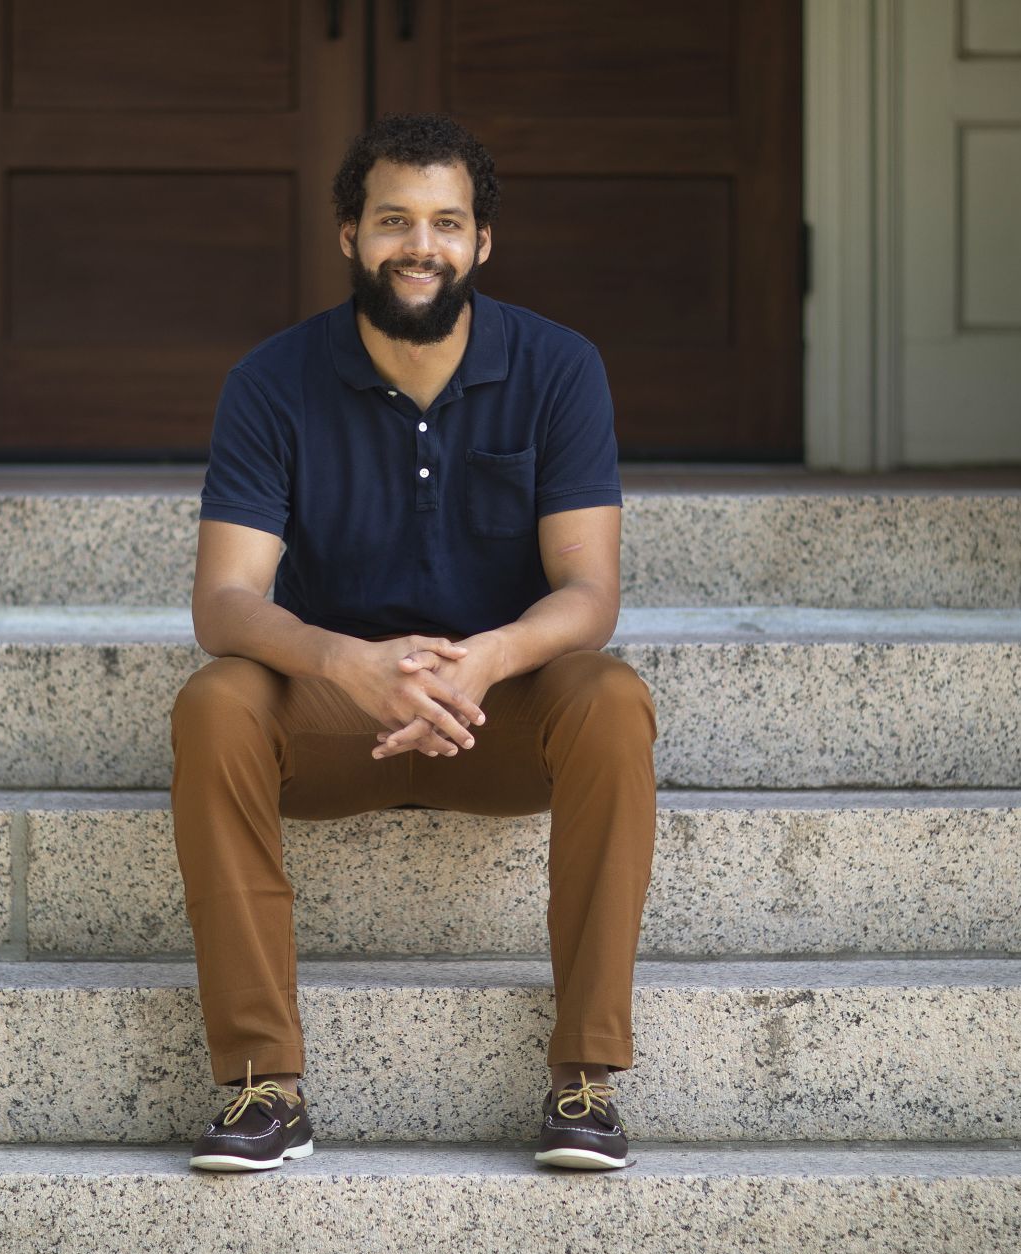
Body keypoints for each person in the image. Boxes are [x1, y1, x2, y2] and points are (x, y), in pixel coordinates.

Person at [171, 113, 657, 1174]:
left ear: (483, 242)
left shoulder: (560, 367)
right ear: (348, 233)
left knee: (610, 694)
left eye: (446, 222)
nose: (419, 245)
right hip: (335, 712)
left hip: (502, 709)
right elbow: (224, 602)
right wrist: (345, 662)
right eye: (394, 219)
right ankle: (265, 1083)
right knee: (214, 700)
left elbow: (588, 590)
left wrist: (485, 657)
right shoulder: (271, 379)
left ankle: (584, 1078)